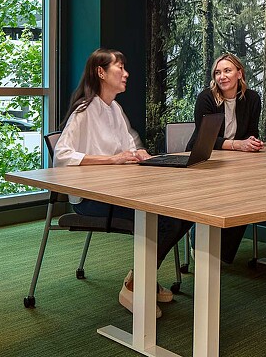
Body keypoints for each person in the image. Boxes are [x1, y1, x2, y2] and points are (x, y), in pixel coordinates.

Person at [53, 48, 192, 317]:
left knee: (182, 215)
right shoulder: (84, 110)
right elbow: (63, 154)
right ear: (101, 72)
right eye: (120, 68)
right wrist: (112, 160)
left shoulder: (114, 108)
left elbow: (129, 146)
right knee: (167, 220)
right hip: (91, 201)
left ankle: (140, 279)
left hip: (119, 192)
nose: (126, 73)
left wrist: (138, 153)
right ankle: (135, 284)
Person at [186, 53, 263, 263]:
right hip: (203, 158)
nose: (222, 76)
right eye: (218, 72)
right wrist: (239, 145)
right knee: (213, 196)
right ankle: (199, 242)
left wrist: (253, 143)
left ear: (239, 73)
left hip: (236, 161)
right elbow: (205, 138)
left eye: (227, 71)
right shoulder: (206, 98)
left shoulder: (253, 98)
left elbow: (251, 132)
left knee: (246, 196)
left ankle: (221, 253)